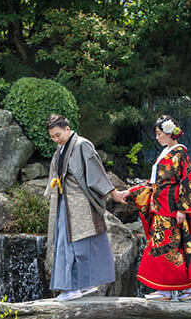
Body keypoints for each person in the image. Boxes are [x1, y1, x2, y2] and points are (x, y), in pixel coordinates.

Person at [44, 114, 128, 301]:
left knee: (76, 245)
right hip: (66, 202)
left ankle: (73, 287)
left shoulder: (82, 145)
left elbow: (96, 172)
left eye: (58, 135)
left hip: (80, 203)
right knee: (70, 244)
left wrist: (114, 193)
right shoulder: (62, 148)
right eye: (52, 137)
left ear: (67, 129)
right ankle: (81, 285)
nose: (55, 139)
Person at [125, 114, 191, 301]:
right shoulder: (167, 153)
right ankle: (178, 288)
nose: (157, 137)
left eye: (160, 133)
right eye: (157, 134)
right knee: (166, 247)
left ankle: (178, 289)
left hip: (171, 208)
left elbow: (187, 180)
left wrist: (182, 209)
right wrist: (131, 192)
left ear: (169, 133)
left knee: (168, 247)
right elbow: (154, 184)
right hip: (161, 207)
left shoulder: (180, 153)